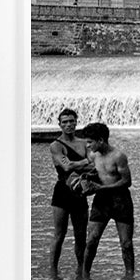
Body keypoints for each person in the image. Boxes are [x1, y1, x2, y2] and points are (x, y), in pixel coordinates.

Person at [80, 122, 135, 274]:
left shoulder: (118, 156)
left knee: (126, 244)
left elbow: (127, 181)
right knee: (92, 240)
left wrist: (102, 187)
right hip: (101, 200)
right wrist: (87, 180)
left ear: (101, 140)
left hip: (121, 200)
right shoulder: (93, 155)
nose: (88, 145)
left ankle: (130, 278)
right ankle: (85, 276)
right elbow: (93, 171)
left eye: (90, 142)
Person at [47, 108, 93, 271]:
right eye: (65, 122)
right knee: (59, 234)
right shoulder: (56, 145)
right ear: (59, 124)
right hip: (62, 192)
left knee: (81, 236)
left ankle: (81, 270)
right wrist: (83, 162)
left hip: (79, 192)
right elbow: (66, 167)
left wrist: (77, 164)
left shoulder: (83, 142)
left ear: (76, 122)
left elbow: (94, 164)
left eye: (71, 121)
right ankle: (53, 270)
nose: (69, 125)